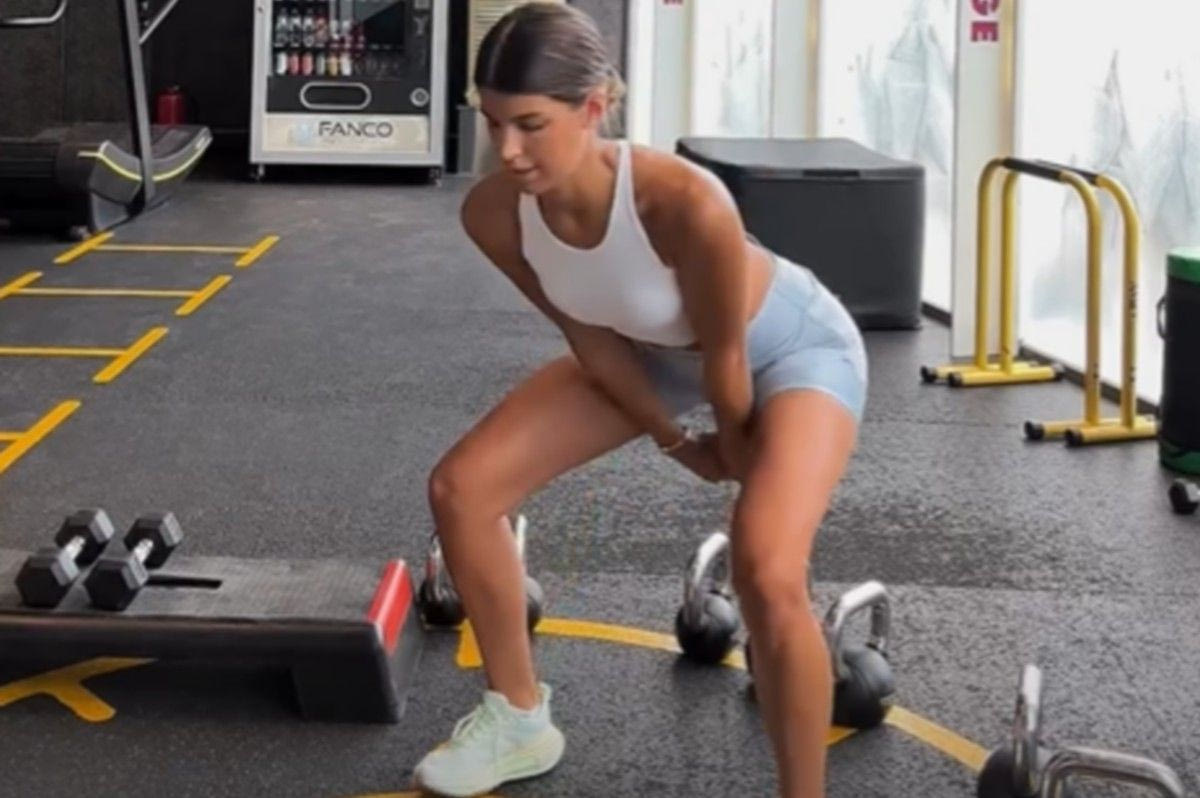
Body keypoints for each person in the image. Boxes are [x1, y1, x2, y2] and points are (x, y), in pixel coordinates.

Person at [412, 4, 867, 797]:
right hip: (650, 354)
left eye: (531, 125)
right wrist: (675, 442)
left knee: (765, 567)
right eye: (493, 122)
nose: (508, 151)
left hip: (790, 349)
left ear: (594, 107)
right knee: (463, 488)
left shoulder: (683, 200)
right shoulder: (494, 213)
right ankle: (519, 721)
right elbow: (587, 337)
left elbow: (728, 357)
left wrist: (733, 451)